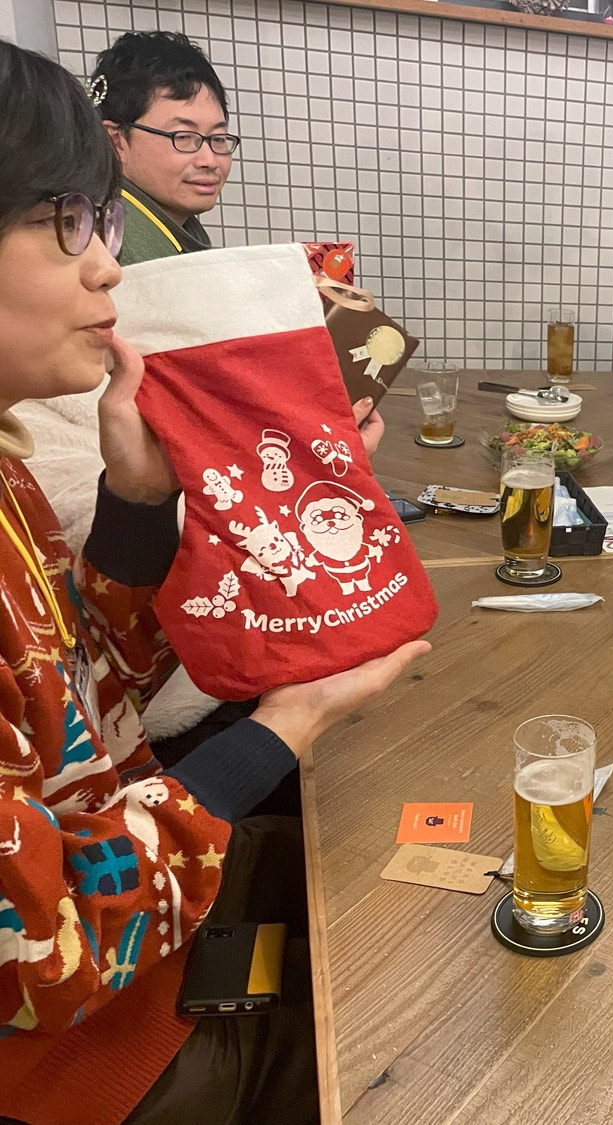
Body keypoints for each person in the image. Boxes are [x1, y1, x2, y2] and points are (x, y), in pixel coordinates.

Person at [0, 43, 426, 1125]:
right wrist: (281, 729)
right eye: (65, 222)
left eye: (100, 221)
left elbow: (98, 705)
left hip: (154, 943)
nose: (106, 269)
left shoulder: (8, 481)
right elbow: (39, 952)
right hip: (90, 1063)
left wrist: (140, 500)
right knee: (423, 1024)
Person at [89, 31, 234, 267]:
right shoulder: (111, 246)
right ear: (116, 142)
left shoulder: (162, 227)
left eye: (218, 138)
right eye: (182, 137)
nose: (209, 160)